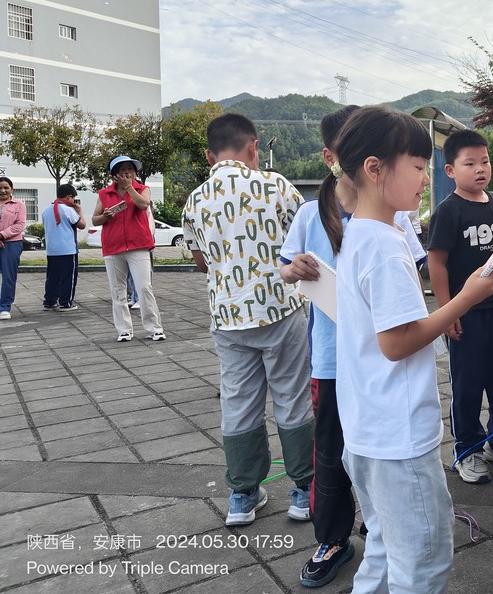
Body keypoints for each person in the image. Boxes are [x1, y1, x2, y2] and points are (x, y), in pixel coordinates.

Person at [333, 106, 493, 594]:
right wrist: (465, 298)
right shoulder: (385, 246)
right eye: (419, 167)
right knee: (422, 561)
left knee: (385, 548)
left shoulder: (360, 232)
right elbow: (397, 342)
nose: (427, 179)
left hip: (366, 429)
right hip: (397, 436)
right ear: (375, 169)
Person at [278, 106, 426, 589]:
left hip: (379, 361)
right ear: (333, 158)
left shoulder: (392, 216)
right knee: (331, 452)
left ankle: (380, 524)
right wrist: (293, 269)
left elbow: (412, 273)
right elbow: (284, 269)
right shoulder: (310, 214)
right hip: (331, 357)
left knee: (379, 451)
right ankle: (333, 538)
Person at [182, 113, 314, 528]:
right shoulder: (278, 187)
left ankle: (242, 494)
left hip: (228, 315)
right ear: (254, 146)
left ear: (210, 155)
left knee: (238, 403)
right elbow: (306, 242)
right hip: (280, 309)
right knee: (292, 398)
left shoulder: (195, 201)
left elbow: (201, 262)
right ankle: (305, 490)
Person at [427, 129, 493, 485]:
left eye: (484, 161)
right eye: (469, 164)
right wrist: (448, 312)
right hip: (468, 315)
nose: (480, 169)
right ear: (451, 170)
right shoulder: (448, 212)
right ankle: (467, 450)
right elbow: (436, 262)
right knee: (468, 386)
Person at [92, 156, 165, 342]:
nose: (127, 173)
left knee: (144, 288)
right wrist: (105, 217)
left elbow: (143, 204)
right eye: (122, 170)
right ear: (115, 174)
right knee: (118, 291)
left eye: (130, 169)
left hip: (138, 245)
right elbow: (94, 219)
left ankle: (154, 328)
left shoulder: (142, 189)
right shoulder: (104, 194)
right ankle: (124, 330)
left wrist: (130, 188)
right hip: (113, 246)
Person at [41, 184, 87, 311]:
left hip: (52, 250)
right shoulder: (68, 210)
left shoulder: (46, 210)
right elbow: (82, 225)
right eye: (73, 198)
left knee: (52, 277)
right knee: (68, 277)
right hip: (68, 249)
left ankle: (49, 301)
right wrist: (80, 211)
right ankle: (66, 302)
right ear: (69, 197)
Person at [0, 176, 26, 320]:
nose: (3, 190)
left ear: (12, 189)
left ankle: (4, 307)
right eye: (0, 188)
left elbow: (19, 225)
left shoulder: (19, 204)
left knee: (8, 276)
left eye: (6, 187)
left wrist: (1, 235)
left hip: (11, 243)